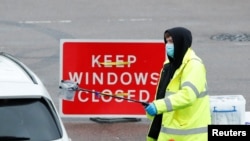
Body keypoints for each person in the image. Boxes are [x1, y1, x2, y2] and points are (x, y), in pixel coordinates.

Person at [145, 27, 211, 141]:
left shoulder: (194, 66)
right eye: (167, 41)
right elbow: (163, 94)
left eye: (171, 41)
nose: (168, 45)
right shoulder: (169, 65)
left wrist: (158, 106)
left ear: (181, 42)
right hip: (170, 132)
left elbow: (188, 95)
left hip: (189, 135)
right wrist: (154, 107)